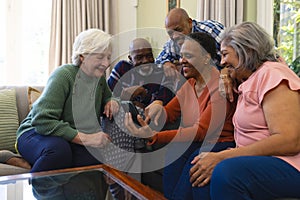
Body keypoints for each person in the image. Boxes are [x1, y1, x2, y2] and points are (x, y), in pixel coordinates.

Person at [188, 22, 300, 200]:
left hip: (290, 164)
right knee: (201, 166)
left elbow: (290, 140)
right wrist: (226, 73)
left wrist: (224, 156)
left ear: (246, 51)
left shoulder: (273, 74)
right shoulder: (249, 78)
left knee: (226, 173)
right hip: (262, 159)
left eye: (225, 54)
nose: (222, 62)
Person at [125, 32, 236, 199]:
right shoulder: (191, 83)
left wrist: (154, 136)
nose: (182, 61)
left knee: (193, 167)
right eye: (181, 55)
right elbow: (170, 112)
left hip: (218, 142)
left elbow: (200, 131)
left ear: (206, 58)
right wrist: (156, 111)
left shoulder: (219, 86)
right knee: (173, 155)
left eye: (188, 56)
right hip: (197, 142)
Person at [16, 28, 119, 199]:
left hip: (63, 137)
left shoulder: (99, 79)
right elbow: (42, 121)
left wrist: (113, 101)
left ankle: (32, 163)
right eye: (100, 57)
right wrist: (86, 138)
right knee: (59, 151)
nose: (106, 63)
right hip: (34, 132)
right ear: (82, 57)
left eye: (108, 57)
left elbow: (111, 96)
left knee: (93, 159)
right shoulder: (64, 75)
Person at [106, 38, 176, 196]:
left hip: (149, 121)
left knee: (127, 118)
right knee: (118, 114)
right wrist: (121, 97)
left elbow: (165, 98)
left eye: (148, 55)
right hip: (123, 121)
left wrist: (143, 94)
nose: (145, 61)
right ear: (130, 59)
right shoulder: (122, 68)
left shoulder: (160, 71)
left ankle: (121, 183)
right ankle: (123, 185)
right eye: (139, 57)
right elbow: (107, 97)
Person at [156, 8, 225, 80]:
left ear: (189, 23)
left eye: (179, 30)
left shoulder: (211, 30)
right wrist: (166, 63)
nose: (175, 36)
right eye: (170, 33)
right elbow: (159, 60)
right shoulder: (173, 42)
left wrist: (225, 73)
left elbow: (235, 52)